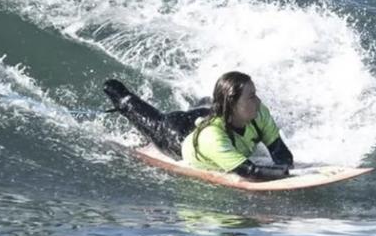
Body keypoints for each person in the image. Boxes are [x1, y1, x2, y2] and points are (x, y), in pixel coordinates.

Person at [103, 71, 294, 181]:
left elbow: (279, 150)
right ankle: (115, 90)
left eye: (255, 94)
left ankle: (199, 104)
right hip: (177, 134)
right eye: (251, 97)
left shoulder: (259, 113)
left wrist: (286, 166)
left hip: (206, 114)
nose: (258, 101)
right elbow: (249, 171)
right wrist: (285, 176)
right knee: (145, 117)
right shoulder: (212, 137)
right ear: (232, 104)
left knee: (204, 105)